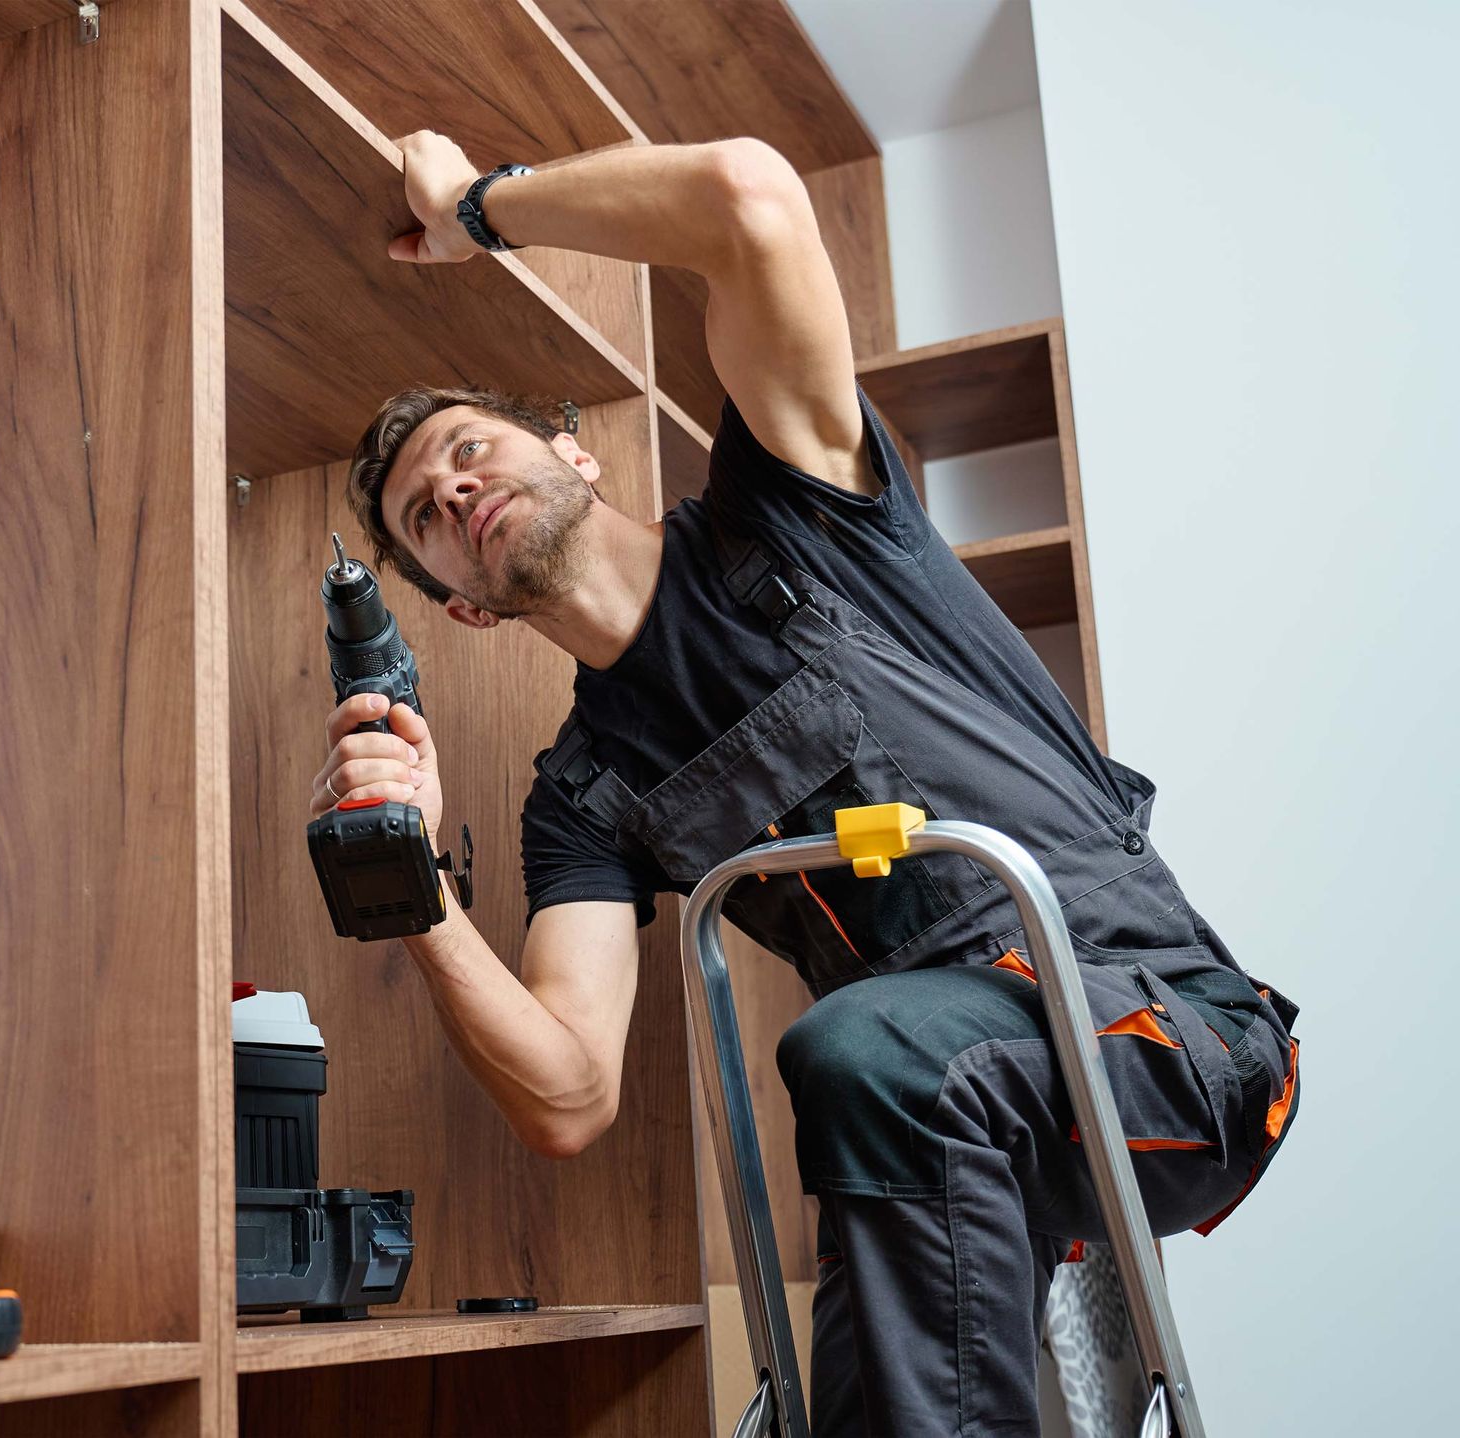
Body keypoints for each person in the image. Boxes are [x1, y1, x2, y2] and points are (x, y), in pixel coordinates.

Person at [308, 131, 1300, 1437]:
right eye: (428, 517)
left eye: (467, 449)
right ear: (465, 611)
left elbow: (746, 198)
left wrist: (474, 207)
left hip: (1180, 1044)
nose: (454, 487)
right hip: (939, 1117)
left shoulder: (798, 502)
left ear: (577, 453)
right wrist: (420, 893)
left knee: (859, 1050)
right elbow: (567, 1089)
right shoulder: (588, 793)